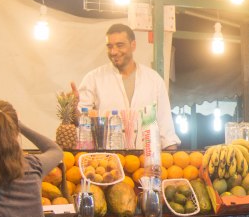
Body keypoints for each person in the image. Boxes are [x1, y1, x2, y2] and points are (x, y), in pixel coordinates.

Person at [73, 24, 179, 152]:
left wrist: (173, 163)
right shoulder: (93, 79)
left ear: (133, 45)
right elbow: (82, 123)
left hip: (145, 161)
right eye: (110, 46)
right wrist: (73, 108)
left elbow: (166, 128)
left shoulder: (154, 80)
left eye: (120, 45)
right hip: (107, 162)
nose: (113, 52)